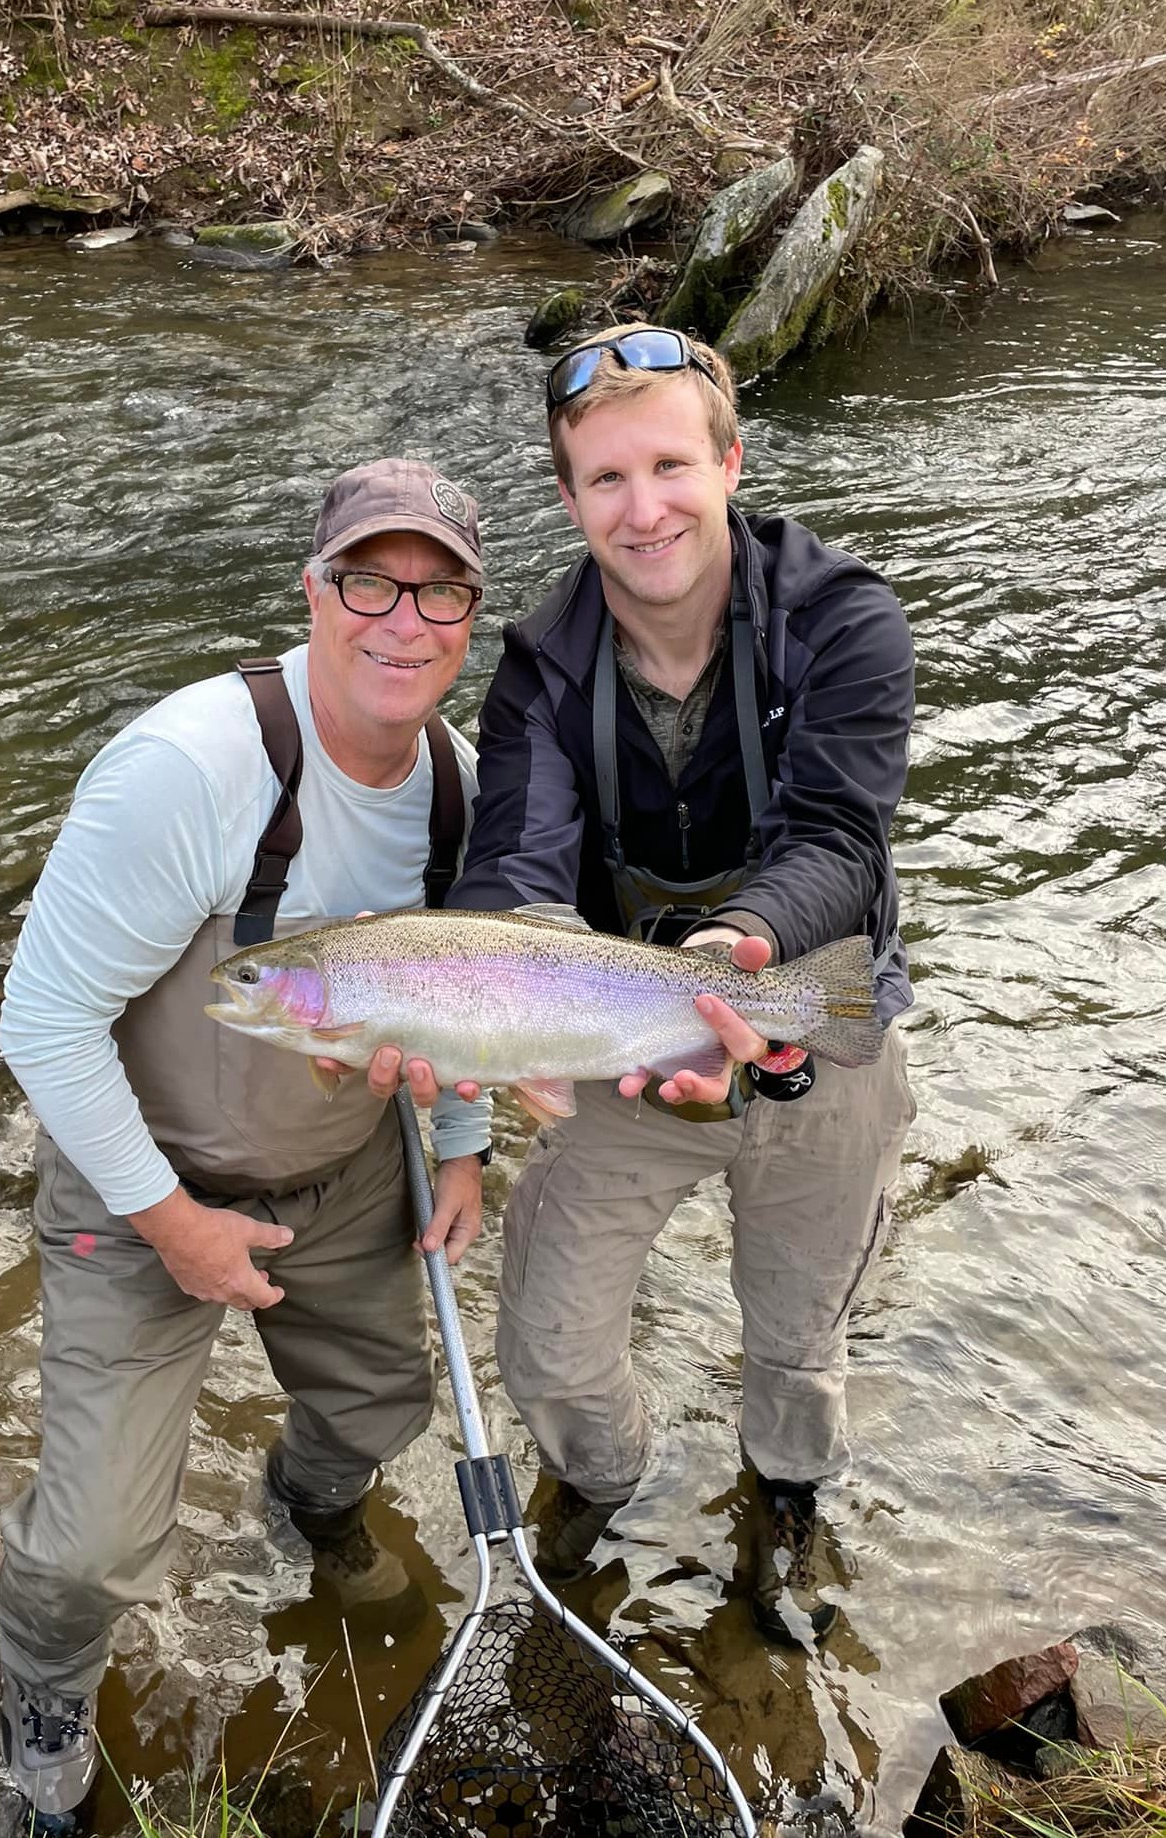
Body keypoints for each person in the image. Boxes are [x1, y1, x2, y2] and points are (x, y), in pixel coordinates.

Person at [0, 458, 493, 1834]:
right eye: (368, 581)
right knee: (94, 1545)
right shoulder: (189, 769)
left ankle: (316, 1507)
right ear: (312, 590)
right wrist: (177, 1228)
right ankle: (40, 1685)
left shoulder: (460, 784)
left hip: (344, 1171)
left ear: (470, 610)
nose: (403, 618)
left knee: (378, 1409)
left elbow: (459, 993)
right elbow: (40, 1025)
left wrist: (459, 1148)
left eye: (438, 588)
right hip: (137, 1184)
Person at [410, 324, 916, 1646]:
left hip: (809, 1011)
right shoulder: (538, 666)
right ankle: (597, 1475)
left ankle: (784, 1506)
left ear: (729, 461)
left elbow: (840, 841)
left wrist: (736, 952)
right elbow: (512, 862)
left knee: (796, 1332)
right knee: (550, 1336)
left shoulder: (844, 616)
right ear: (567, 497)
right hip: (624, 1039)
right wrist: (515, 1000)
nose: (643, 511)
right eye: (605, 480)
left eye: (668, 467)